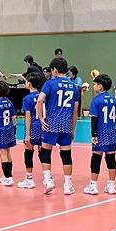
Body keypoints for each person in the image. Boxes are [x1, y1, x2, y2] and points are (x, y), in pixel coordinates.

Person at [37, 57, 80, 195]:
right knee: (66, 154)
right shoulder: (74, 86)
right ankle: (67, 185)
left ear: (54, 70)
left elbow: (40, 100)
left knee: (45, 151)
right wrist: (73, 129)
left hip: (51, 123)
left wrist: (41, 118)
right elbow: (75, 111)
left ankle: (48, 180)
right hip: (66, 125)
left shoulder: (50, 83)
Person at [84, 74, 116, 195]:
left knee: (96, 157)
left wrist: (94, 134)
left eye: (95, 84)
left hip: (100, 133)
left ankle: (93, 185)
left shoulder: (96, 100)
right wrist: (115, 127)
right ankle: (111, 185)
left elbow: (94, 119)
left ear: (100, 86)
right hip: (111, 133)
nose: (94, 86)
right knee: (111, 158)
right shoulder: (114, 100)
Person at [17, 72, 45, 189]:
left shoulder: (27, 98)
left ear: (29, 83)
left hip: (33, 127)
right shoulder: (43, 96)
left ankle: (29, 178)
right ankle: (47, 176)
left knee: (28, 152)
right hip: (43, 127)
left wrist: (27, 134)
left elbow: (28, 117)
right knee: (43, 152)